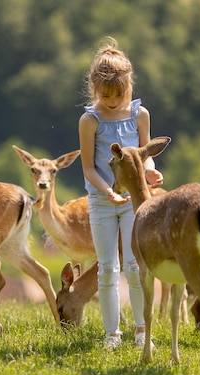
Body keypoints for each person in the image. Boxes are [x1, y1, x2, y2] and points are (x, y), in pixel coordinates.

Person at [78, 36, 164, 350]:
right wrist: (108, 192)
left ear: (128, 86)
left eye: (118, 94)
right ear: (94, 89)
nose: (112, 100)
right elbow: (88, 167)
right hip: (102, 201)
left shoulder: (140, 115)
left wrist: (151, 169)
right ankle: (112, 335)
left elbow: (145, 153)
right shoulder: (90, 120)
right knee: (107, 268)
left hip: (133, 204)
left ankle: (143, 332)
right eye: (105, 94)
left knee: (135, 265)